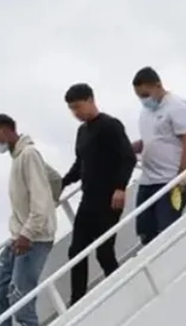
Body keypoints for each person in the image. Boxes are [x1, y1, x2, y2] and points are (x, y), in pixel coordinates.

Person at [0, 113, 59, 326]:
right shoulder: (19, 159)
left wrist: (32, 228)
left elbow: (40, 195)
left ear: (7, 130)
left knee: (20, 296)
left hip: (32, 238)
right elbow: (55, 179)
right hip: (19, 235)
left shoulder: (28, 156)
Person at [59, 84, 137, 305]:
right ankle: (77, 300)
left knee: (104, 251)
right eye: (71, 109)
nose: (75, 113)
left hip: (109, 199)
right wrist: (62, 183)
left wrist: (120, 187)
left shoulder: (110, 125)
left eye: (77, 106)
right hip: (88, 199)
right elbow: (80, 163)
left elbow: (128, 157)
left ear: (90, 100)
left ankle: (122, 291)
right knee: (76, 251)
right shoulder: (82, 132)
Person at [130, 66, 186, 246]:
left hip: (170, 180)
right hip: (148, 181)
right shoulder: (145, 112)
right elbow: (150, 140)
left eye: (145, 95)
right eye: (139, 96)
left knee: (166, 232)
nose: (144, 100)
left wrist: (182, 176)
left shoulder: (176, 106)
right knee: (145, 232)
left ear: (158, 86)